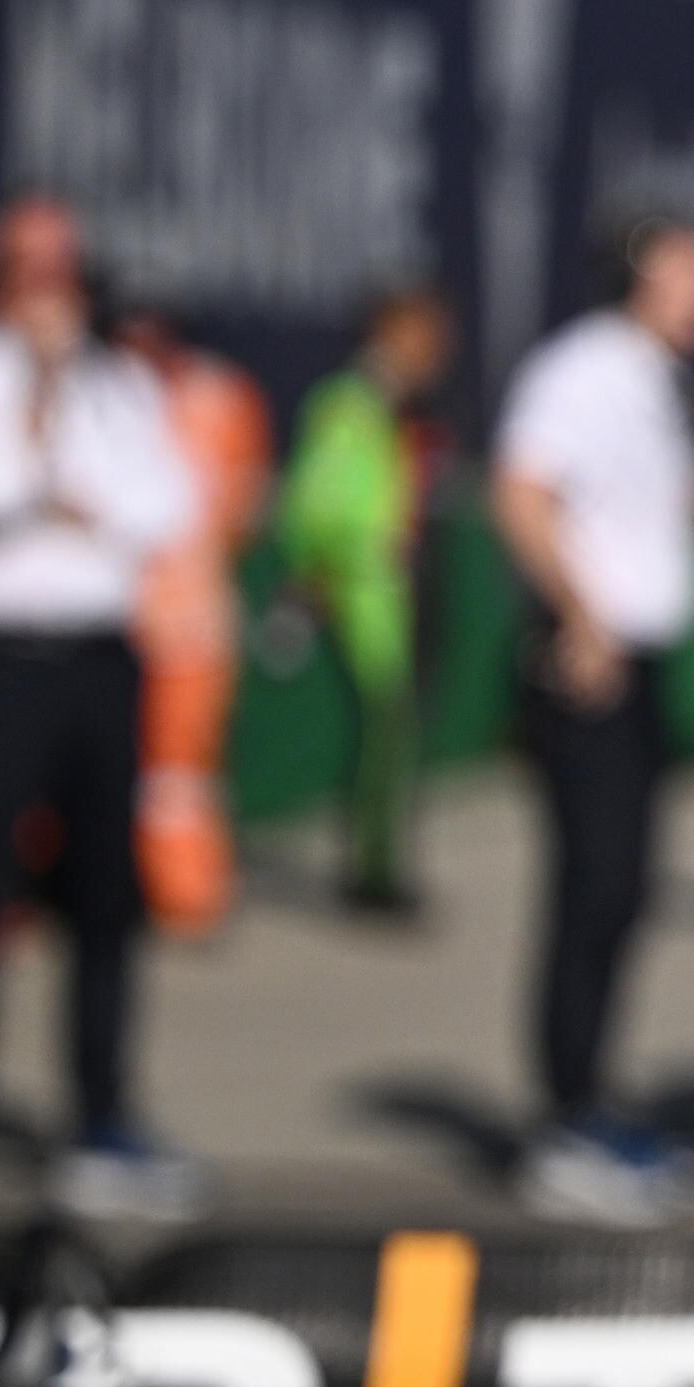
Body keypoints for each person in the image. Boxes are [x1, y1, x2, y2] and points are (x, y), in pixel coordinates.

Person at [0, 194, 201, 1212]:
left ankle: (102, 1113)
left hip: (100, 657)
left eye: (64, 270)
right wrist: (43, 425)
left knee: (107, 897)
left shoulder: (123, 383)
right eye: (32, 269)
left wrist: (72, 492)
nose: (52, 291)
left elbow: (166, 507)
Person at [493, 219, 694, 1225]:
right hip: (586, 664)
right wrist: (580, 618)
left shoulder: (656, 380)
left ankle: (592, 1099)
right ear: (639, 273)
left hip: (638, 665)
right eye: (690, 272)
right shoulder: (585, 367)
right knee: (591, 884)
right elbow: (521, 492)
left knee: (626, 888)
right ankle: (564, 1120)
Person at [275, 288, 453, 917]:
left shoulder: (405, 410)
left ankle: (384, 861)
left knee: (397, 735)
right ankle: (372, 871)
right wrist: (358, 557)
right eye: (423, 334)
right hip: (368, 601)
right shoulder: (349, 405)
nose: (437, 351)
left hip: (401, 595)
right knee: (385, 732)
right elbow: (318, 506)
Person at [120, 311, 268, 934]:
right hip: (118, 622)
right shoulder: (106, 394)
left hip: (189, 625)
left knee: (178, 775)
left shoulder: (218, 397)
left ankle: (183, 894)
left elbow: (241, 508)